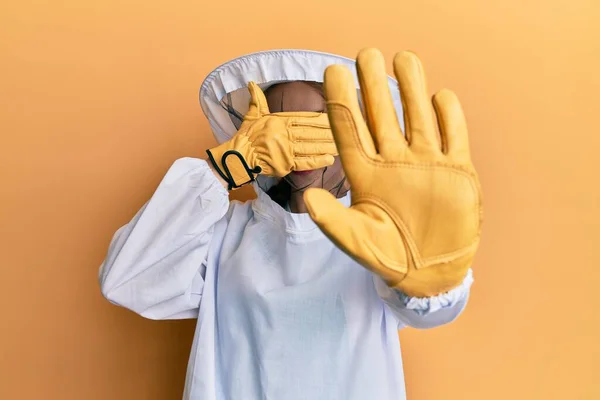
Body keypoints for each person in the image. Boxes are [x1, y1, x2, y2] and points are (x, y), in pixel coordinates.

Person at [99, 48, 481, 400]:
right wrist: (223, 169)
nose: (302, 147)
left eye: (319, 125)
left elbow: (429, 311)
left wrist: (435, 278)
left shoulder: (372, 234)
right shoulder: (222, 231)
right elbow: (126, 280)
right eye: (285, 126)